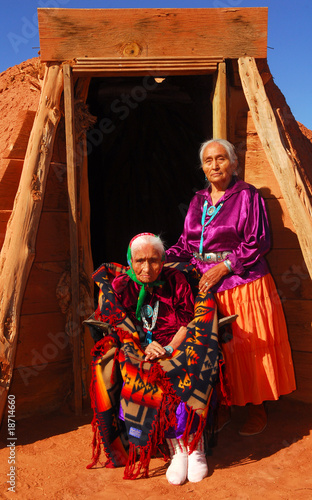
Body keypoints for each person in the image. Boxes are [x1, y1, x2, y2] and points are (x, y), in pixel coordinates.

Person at [166, 138, 296, 436]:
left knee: (249, 346)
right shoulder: (198, 200)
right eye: (208, 160)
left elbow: (258, 241)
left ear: (233, 163)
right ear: (203, 167)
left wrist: (224, 267)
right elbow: (186, 244)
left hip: (243, 283)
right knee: (216, 349)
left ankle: (257, 408)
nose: (215, 165)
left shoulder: (247, 196)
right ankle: (224, 406)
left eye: (221, 158)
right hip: (207, 287)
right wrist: (162, 257)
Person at [87, 233, 220, 484]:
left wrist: (168, 348)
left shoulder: (177, 280)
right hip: (138, 349)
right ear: (130, 260)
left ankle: (195, 447)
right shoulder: (121, 286)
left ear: (163, 260)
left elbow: (187, 322)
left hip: (176, 345)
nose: (147, 268)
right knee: (141, 373)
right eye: (140, 261)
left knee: (183, 369)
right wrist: (142, 348)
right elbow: (119, 325)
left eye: (154, 260)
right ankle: (177, 451)